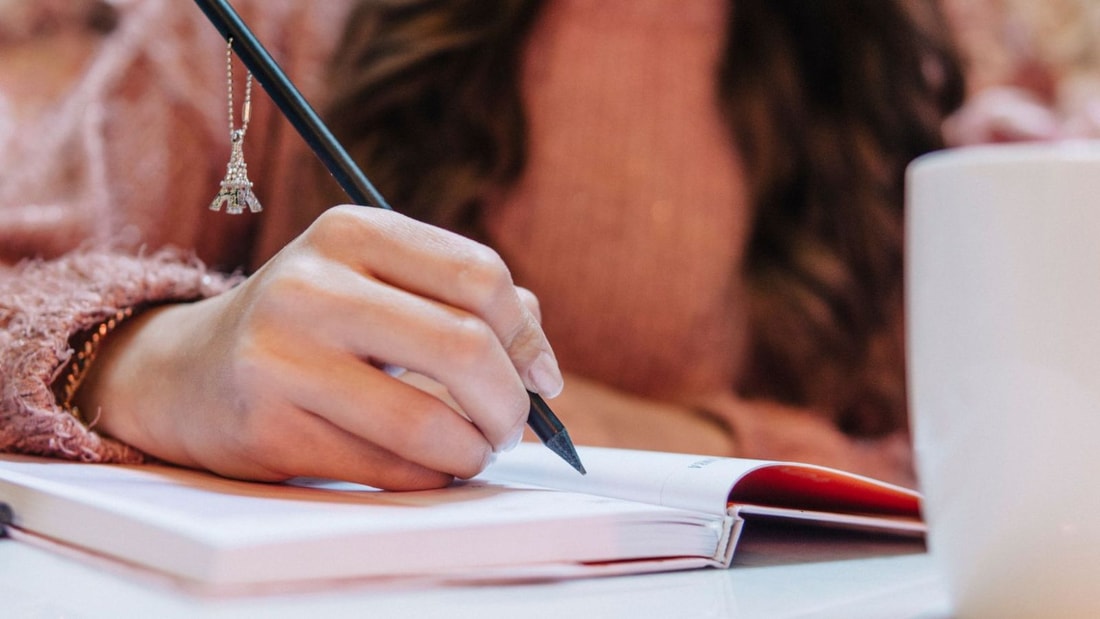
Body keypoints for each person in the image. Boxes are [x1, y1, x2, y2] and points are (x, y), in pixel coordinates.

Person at [1, 0, 967, 490]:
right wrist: (158, 357)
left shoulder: (905, 79)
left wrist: (706, 440)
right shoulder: (267, 24)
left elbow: (978, 463)